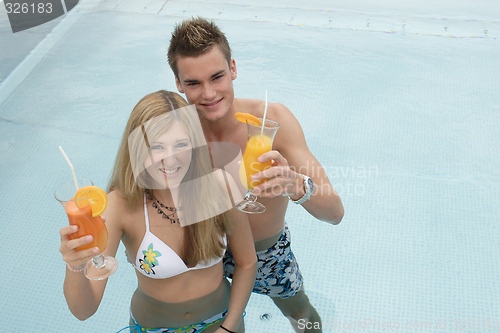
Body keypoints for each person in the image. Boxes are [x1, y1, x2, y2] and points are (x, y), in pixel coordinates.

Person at [167, 17, 345, 333]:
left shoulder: (273, 120)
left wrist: (297, 185)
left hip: (268, 252)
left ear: (233, 69)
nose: (208, 94)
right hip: (207, 254)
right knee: (224, 325)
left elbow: (335, 212)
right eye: (193, 83)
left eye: (217, 77)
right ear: (178, 84)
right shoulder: (173, 134)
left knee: (301, 313)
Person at [59, 90, 257, 333]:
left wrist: (230, 325)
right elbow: (83, 311)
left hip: (222, 321)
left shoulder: (220, 186)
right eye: (157, 147)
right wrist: (76, 266)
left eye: (181, 144)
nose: (170, 160)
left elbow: (247, 263)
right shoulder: (119, 206)